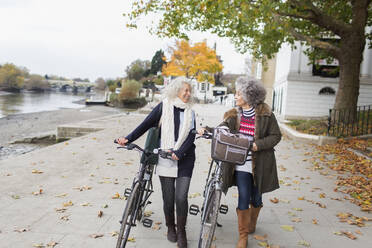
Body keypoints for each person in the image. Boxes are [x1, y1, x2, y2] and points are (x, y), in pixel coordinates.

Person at [199, 76, 281, 248]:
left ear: (249, 96)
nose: (235, 96)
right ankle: (243, 235)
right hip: (241, 164)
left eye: (238, 93)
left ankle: (252, 221)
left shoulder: (266, 114)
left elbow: (276, 136)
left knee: (256, 198)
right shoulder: (233, 115)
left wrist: (258, 145)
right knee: (244, 197)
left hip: (260, 165)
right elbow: (222, 129)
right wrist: (206, 130)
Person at [116, 76, 196, 248]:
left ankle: (181, 231)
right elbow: (145, 124)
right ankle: (170, 227)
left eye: (190, 91)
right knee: (168, 198)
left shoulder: (191, 112)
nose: (188, 94)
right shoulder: (164, 106)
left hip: (185, 158)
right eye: (186, 90)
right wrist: (128, 138)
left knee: (181, 197)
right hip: (165, 156)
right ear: (177, 91)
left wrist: (180, 152)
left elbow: (191, 135)